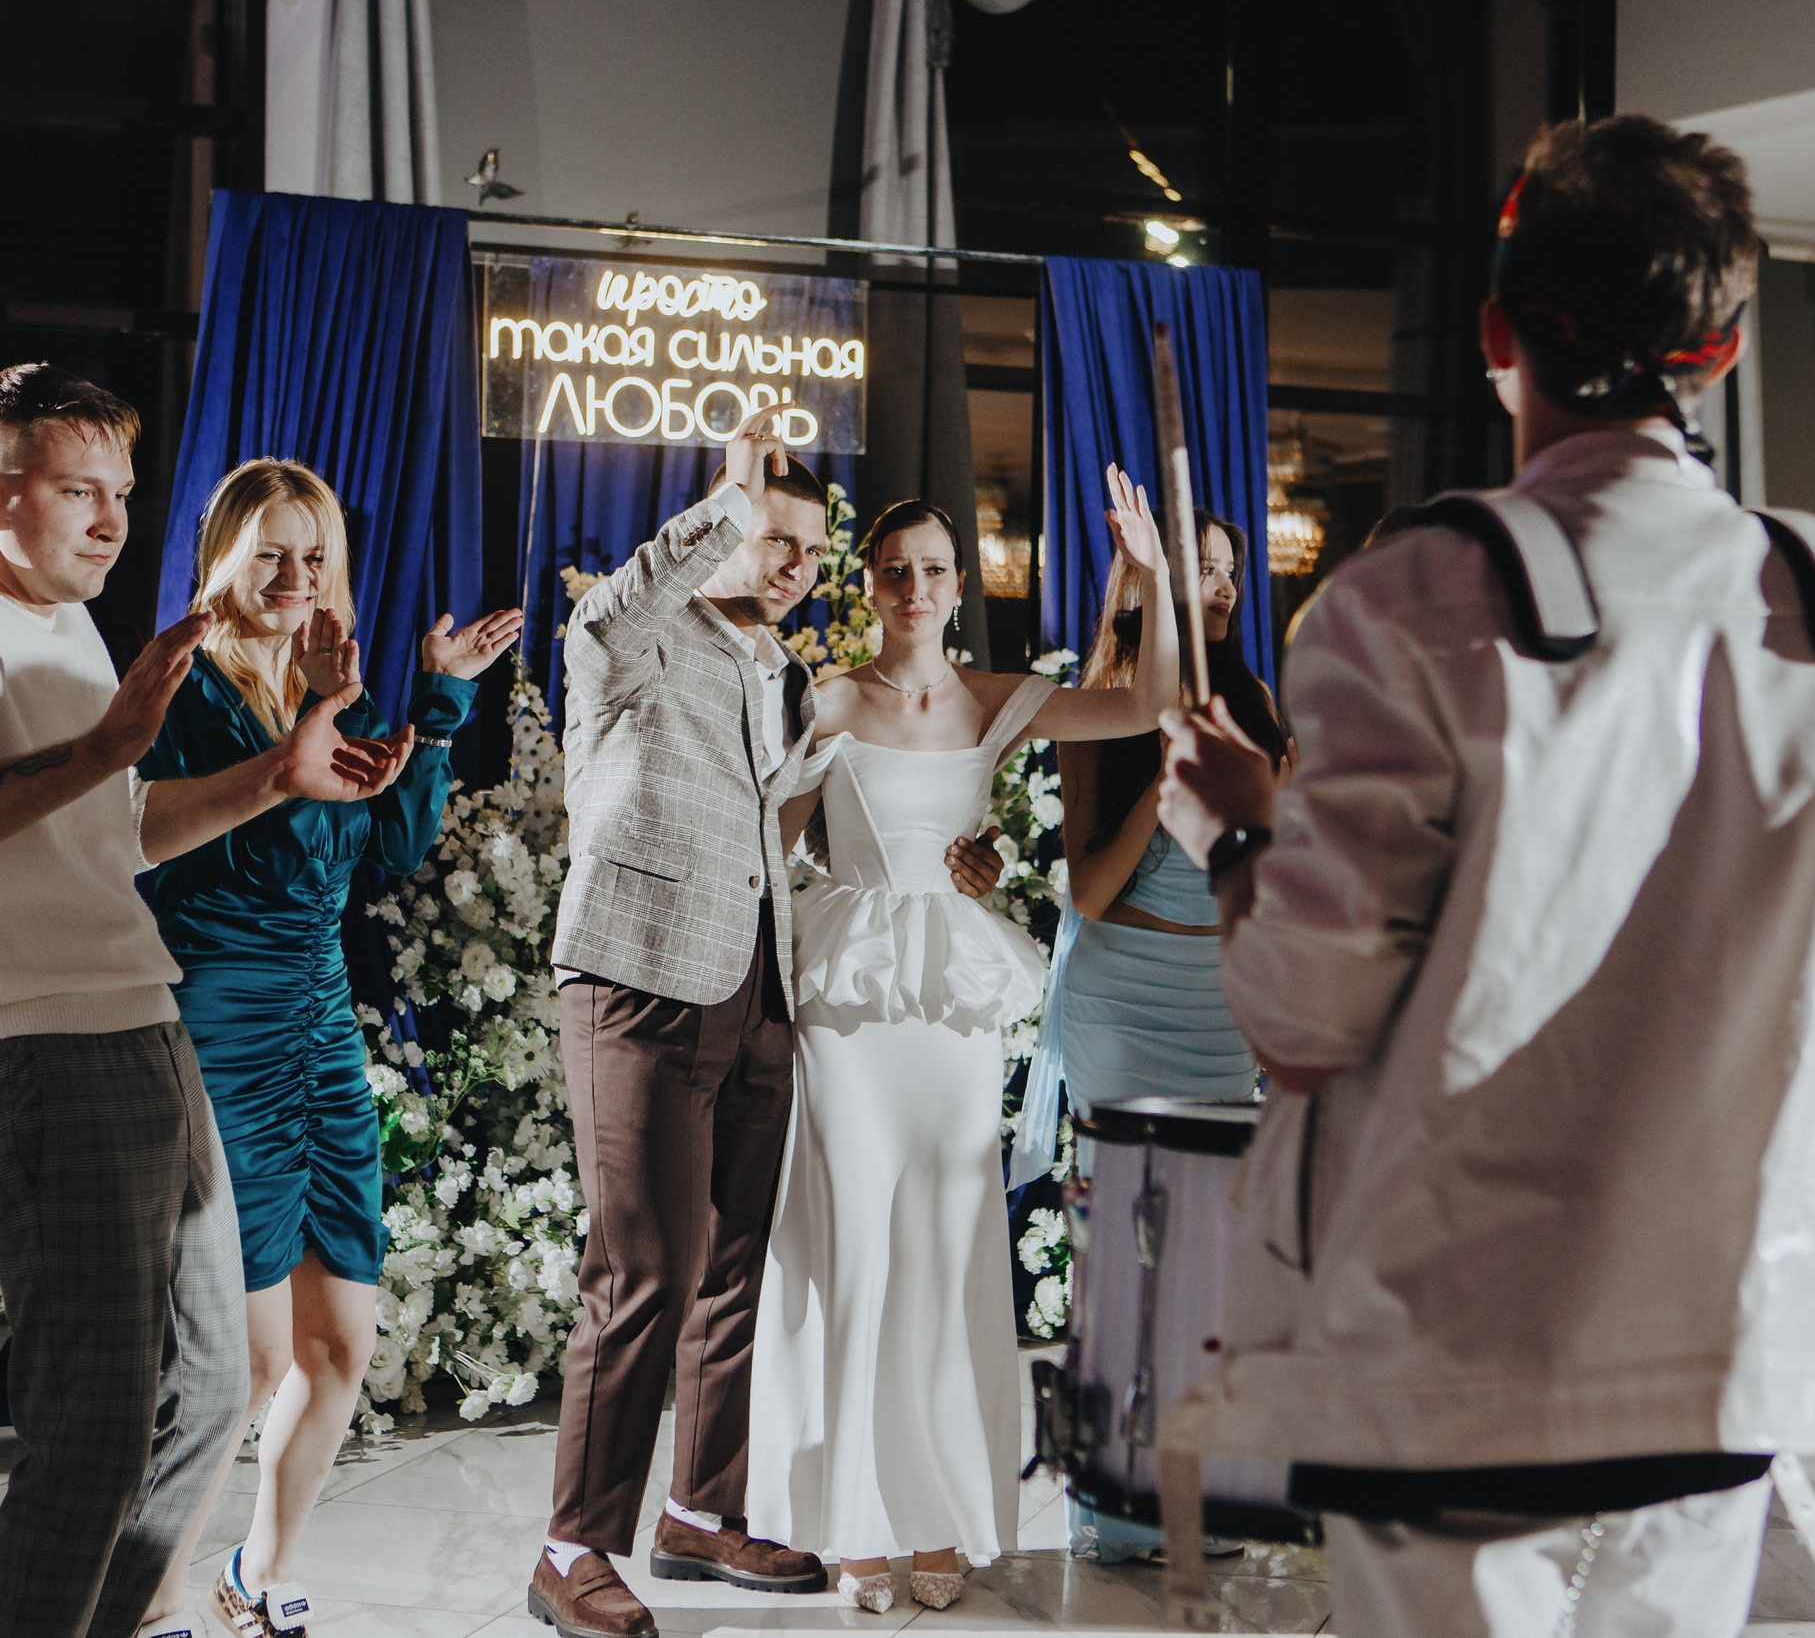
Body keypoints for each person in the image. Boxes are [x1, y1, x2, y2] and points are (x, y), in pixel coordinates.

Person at [1155, 115, 1815, 1638]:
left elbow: (1304, 1016)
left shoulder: (1414, 605)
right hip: (1730, 1347)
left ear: (1494, 333)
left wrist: (1235, 834)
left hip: (1462, 1360)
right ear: (1721, 352)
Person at [0, 364, 416, 1638]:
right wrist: (101, 749)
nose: (111, 519)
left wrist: (277, 776)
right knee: (92, 1427)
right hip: (38, 1048)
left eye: (123, 493)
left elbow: (119, 830)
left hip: (145, 1031)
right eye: (79, 491)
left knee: (213, 1388)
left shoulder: (72, 621)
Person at [533, 404, 998, 1638]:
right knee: (642, 1271)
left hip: (759, 994)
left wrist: (953, 852)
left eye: (806, 549)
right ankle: (570, 1547)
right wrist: (735, 494)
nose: (790, 565)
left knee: (731, 1267)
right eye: (768, 540)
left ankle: (700, 1509)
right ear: (720, 532)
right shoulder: (624, 638)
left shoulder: (777, 670)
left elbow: (792, 831)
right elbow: (618, 603)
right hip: (636, 985)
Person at [747, 464, 1179, 1612]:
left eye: (935, 570)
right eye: (896, 571)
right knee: (857, 1251)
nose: (916, 587)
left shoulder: (997, 699)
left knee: (946, 1247)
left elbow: (1148, 706)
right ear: (871, 586)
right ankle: (855, 1523)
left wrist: (1149, 576)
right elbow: (767, 855)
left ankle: (935, 1515)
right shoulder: (830, 700)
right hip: (849, 1003)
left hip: (948, 1004)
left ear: (956, 586)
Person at [129, 457, 523, 1638]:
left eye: (315, 556)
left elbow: (389, 849)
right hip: (221, 1023)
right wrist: (301, 735)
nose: (297, 576)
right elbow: (166, 848)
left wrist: (435, 705)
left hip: (318, 1028)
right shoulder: (181, 685)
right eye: (273, 553)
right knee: (240, 1369)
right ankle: (144, 1604)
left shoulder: (327, 677)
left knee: (340, 1343)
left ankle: (254, 1578)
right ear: (224, 561)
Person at [1020, 511, 1286, 1567]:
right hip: (1122, 1000)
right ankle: (1117, 1504)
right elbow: (1087, 883)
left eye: (1225, 572)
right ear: (1150, 584)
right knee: (1130, 1258)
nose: (1217, 587)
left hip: (1220, 1005)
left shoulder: (1259, 707)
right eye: (1196, 570)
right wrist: (1167, 785)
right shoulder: (1103, 704)